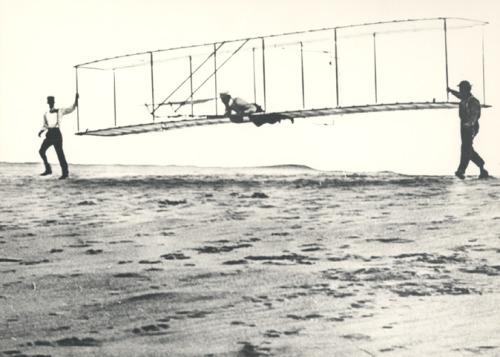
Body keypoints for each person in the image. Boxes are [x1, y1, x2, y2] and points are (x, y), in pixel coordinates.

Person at [447, 81, 488, 180]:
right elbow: (458, 95)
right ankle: (481, 165)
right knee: (468, 148)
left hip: (471, 126)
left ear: (467, 89)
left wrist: (469, 124)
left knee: (465, 147)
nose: (460, 91)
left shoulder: (472, 100)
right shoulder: (464, 97)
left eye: (462, 89)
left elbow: (475, 115)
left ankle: (461, 170)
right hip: (464, 126)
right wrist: (451, 91)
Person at [38, 93, 79, 179]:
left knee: (60, 154)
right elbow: (45, 124)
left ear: (54, 102)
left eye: (52, 102)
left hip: (56, 134)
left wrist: (76, 99)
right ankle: (48, 169)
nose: (50, 104)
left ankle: (65, 173)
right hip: (49, 134)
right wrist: (41, 131)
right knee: (41, 151)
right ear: (48, 103)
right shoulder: (46, 113)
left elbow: (71, 108)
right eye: (49, 102)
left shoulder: (60, 111)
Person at [219, 92, 293, 127]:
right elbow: (227, 112)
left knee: (268, 119)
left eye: (223, 99)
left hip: (256, 110)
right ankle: (279, 118)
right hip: (251, 114)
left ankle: (284, 117)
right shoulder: (228, 104)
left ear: (227, 98)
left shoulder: (237, 101)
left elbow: (252, 108)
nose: (222, 101)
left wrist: (243, 112)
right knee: (260, 122)